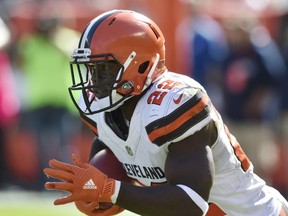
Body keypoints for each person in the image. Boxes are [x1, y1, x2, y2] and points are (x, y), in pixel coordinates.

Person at [43, 10, 288, 216]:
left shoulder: (176, 102)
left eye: (104, 69)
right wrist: (96, 193)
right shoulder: (105, 111)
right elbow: (111, 158)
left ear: (140, 64)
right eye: (91, 69)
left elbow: (190, 203)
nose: (94, 81)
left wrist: (110, 190)